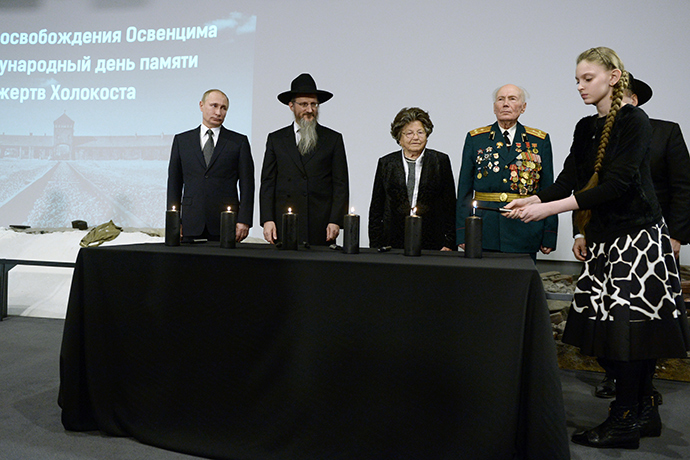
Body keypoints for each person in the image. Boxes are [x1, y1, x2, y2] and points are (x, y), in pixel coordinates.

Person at [505, 47, 690, 449]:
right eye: (576, 79)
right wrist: (536, 200)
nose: (580, 86)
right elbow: (570, 177)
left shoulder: (634, 121)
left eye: (587, 78)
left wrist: (553, 208)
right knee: (602, 337)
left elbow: (617, 184)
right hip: (607, 242)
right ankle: (642, 409)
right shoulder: (586, 128)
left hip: (638, 241)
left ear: (613, 76)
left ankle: (626, 417)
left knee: (629, 338)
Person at [589, 74, 690, 400]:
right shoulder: (598, 135)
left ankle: (642, 389)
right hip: (607, 239)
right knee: (607, 316)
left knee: (646, 319)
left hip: (652, 241)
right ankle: (616, 378)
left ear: (634, 99)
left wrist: (676, 236)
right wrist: (581, 231)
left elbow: (682, 188)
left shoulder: (665, 131)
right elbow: (588, 187)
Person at [455, 84, 557, 259]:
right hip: (484, 228)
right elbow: (464, 189)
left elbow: (548, 190)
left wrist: (549, 233)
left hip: (524, 228)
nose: (505, 104)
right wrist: (462, 231)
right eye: (500, 99)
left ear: (523, 107)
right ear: (494, 107)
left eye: (512, 99)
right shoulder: (476, 139)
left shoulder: (539, 140)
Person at [259, 73, 349, 246]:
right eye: (304, 104)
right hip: (284, 221)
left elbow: (341, 185)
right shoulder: (276, 139)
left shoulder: (333, 139)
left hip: (321, 223)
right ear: (291, 106)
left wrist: (336, 220)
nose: (310, 110)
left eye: (314, 104)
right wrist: (267, 219)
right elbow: (268, 183)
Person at [167, 89, 254, 242]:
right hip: (190, 222)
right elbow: (174, 183)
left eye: (223, 108)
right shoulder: (182, 141)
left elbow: (247, 185)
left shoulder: (238, 142)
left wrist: (244, 220)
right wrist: (174, 220)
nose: (218, 112)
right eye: (214, 106)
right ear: (201, 105)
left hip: (226, 222)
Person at [368, 107, 456, 250]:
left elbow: (450, 205)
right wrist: (375, 245)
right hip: (392, 242)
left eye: (420, 132)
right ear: (399, 138)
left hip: (433, 242)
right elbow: (376, 209)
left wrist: (449, 242)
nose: (415, 137)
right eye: (409, 133)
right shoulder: (386, 163)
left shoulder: (440, 161)